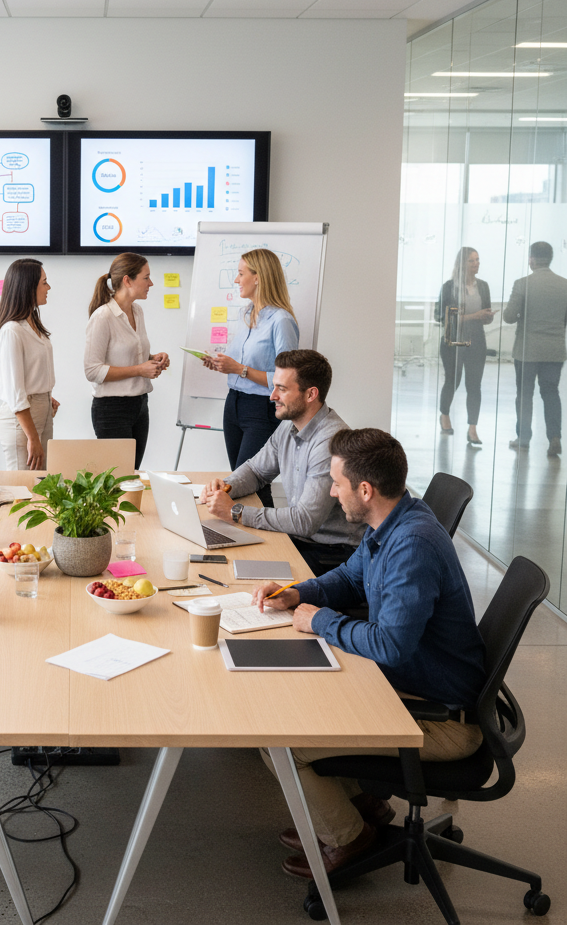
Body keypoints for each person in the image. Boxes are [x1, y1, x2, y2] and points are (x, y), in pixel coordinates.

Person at [251, 428, 486, 879]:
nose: (330, 491)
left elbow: (391, 645)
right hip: (412, 690)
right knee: (298, 706)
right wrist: (297, 593)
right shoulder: (393, 520)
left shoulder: (412, 545)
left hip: (440, 720)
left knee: (280, 741)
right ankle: (363, 807)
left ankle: (350, 837)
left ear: (365, 489)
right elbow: (351, 578)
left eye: (336, 483)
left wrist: (320, 621)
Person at [199, 350, 364, 576]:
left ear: (310, 394)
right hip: (304, 539)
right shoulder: (290, 424)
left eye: (282, 389)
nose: (272, 396)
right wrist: (225, 487)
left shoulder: (330, 442)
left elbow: (304, 520)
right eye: (274, 386)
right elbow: (257, 471)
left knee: (244, 571)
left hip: (332, 554)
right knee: (223, 558)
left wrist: (235, 511)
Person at [202, 248, 298, 506]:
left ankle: (275, 543)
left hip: (261, 410)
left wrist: (239, 369)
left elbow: (287, 379)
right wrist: (222, 365)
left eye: (241, 273)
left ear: (258, 277)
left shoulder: (281, 320)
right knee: (239, 481)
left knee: (253, 484)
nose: (236, 280)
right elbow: (240, 365)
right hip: (234, 404)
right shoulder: (246, 315)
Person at [83, 253, 170, 468]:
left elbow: (127, 355)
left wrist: (152, 360)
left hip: (139, 405)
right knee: (118, 481)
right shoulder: (103, 317)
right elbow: (92, 371)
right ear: (127, 280)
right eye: (146, 277)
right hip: (112, 409)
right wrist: (140, 369)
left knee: (132, 476)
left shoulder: (137, 311)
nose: (151, 283)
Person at [0, 258, 59, 470]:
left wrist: (45, 396)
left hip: (41, 408)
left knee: (43, 484)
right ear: (29, 287)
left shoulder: (32, 324)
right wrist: (33, 438)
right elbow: (15, 392)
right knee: (25, 488)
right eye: (44, 282)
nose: (48, 287)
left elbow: (30, 373)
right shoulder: (12, 330)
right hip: (22, 421)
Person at [503, 240, 567, 456]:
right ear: (550, 259)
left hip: (527, 351)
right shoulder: (564, 285)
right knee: (551, 392)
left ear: (531, 259)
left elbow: (510, 316)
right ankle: (555, 437)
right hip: (554, 350)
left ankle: (523, 438)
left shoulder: (522, 284)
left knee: (525, 395)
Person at [436, 247, 493, 446]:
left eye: (478, 260)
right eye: (472, 261)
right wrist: (475, 316)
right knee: (453, 381)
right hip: (454, 341)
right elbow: (444, 317)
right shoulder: (450, 287)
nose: (476, 263)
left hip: (476, 341)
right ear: (462, 264)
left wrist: (486, 316)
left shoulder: (483, 286)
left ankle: (472, 428)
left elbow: (484, 318)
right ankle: (444, 415)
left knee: (474, 385)